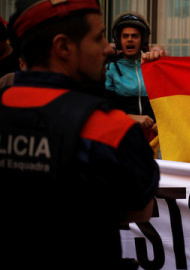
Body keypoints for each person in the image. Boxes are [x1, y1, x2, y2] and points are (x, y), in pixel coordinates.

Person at [1, 0, 160, 268]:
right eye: (98, 38)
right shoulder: (108, 127)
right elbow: (141, 209)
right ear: (63, 48)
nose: (109, 47)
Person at [105, 11, 167, 140]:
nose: (129, 39)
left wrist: (162, 122)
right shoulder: (110, 69)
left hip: (155, 138)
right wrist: (130, 117)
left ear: (143, 40)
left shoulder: (153, 64)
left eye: (134, 36)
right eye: (125, 36)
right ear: (119, 40)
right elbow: (105, 108)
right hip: (123, 136)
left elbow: (168, 103)